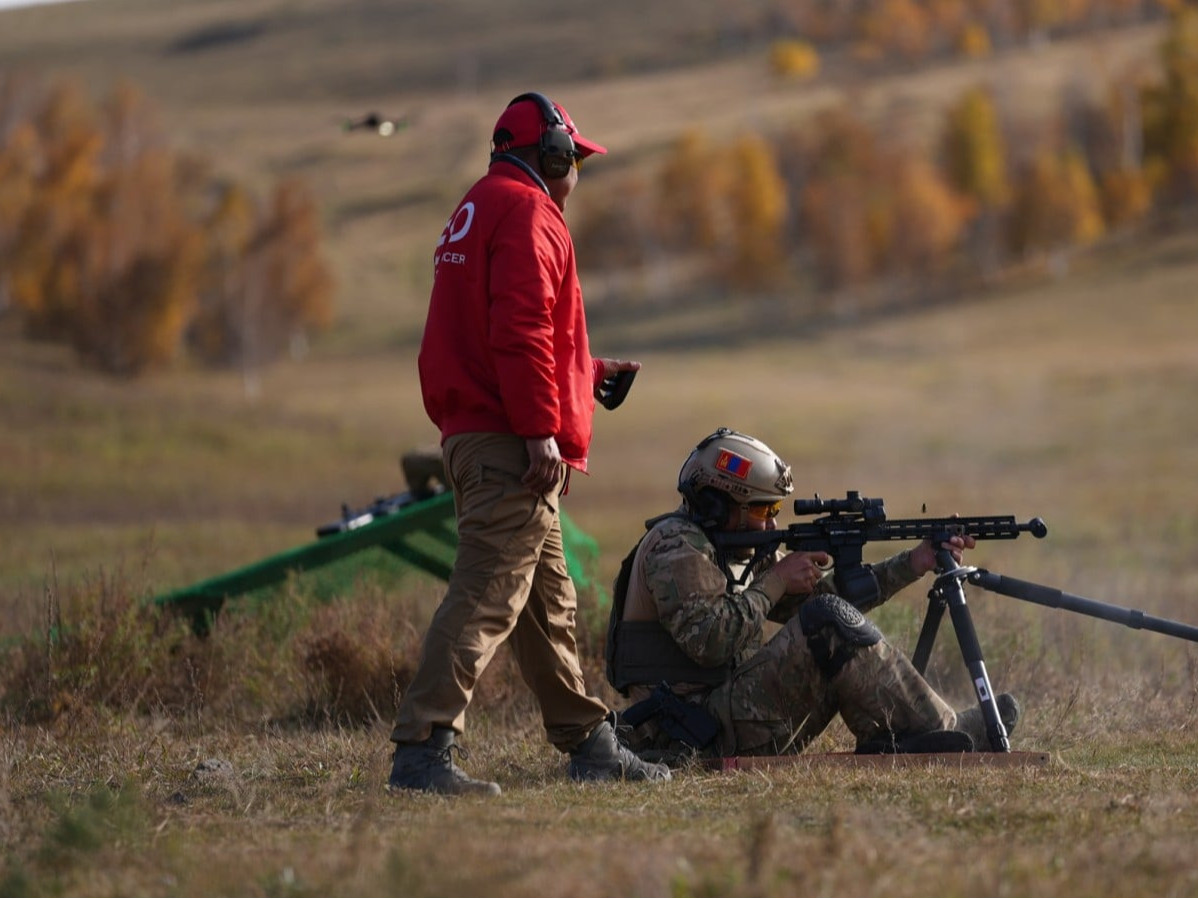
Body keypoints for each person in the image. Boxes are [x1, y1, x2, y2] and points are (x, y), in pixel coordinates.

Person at [388, 92, 669, 796]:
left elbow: (505, 332)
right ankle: (423, 748)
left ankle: (591, 742)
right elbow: (519, 331)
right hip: (510, 440)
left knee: (548, 602)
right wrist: (542, 425)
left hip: (481, 428)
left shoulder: (479, 205)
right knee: (487, 591)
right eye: (574, 158)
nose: (576, 171)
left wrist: (586, 373)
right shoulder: (530, 212)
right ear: (548, 155)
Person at [606, 427, 1021, 762]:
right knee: (824, 616)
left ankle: (911, 732)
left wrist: (914, 562)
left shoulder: (729, 547)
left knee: (827, 619)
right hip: (686, 733)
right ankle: (940, 732)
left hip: (717, 717)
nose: (770, 525)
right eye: (761, 510)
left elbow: (829, 610)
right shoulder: (677, 546)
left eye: (774, 512)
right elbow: (710, 642)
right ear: (716, 504)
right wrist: (777, 580)